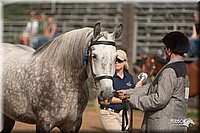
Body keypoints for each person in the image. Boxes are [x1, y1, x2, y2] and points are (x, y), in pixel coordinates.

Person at [118, 31, 190, 132]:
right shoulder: (183, 69)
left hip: (163, 125)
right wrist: (129, 92)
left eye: (165, 48)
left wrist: (132, 100)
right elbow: (152, 87)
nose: (165, 51)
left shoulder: (169, 71)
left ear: (169, 50)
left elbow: (159, 100)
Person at [99, 50, 142, 132]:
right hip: (109, 114)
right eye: (114, 60)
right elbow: (105, 99)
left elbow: (132, 93)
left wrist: (137, 88)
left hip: (125, 114)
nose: (116, 63)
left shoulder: (129, 77)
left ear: (125, 62)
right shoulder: (108, 78)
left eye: (119, 61)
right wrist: (125, 100)